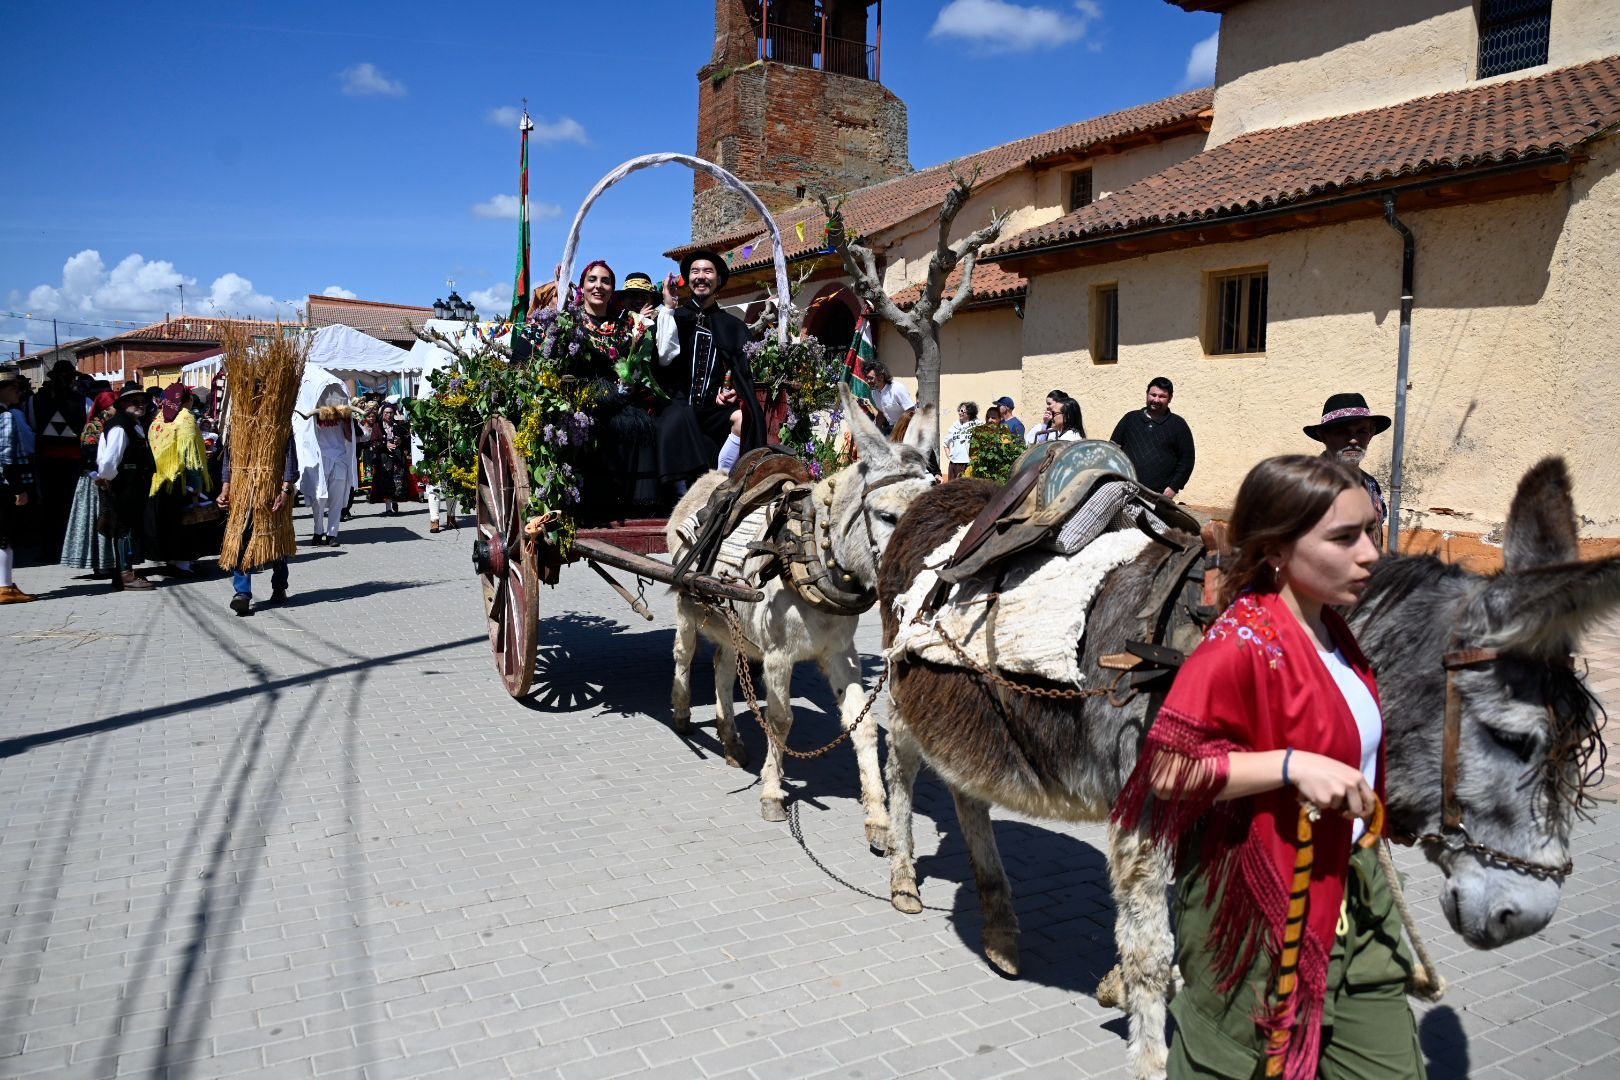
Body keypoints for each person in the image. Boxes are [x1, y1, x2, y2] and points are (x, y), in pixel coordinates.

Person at [1114, 454, 1423, 1079]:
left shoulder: (1334, 629)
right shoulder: (1240, 644)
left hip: (1355, 898)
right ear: (1278, 549)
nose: (1370, 554)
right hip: (1258, 909)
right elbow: (1168, 770)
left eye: (1371, 531)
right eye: (1345, 537)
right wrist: (1289, 767)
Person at [653, 250, 767, 494]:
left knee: (745, 417)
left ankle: (723, 479)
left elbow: (742, 372)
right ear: (688, 279)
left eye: (707, 272)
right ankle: (681, 492)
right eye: (695, 271)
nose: (701, 277)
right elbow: (661, 362)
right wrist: (668, 309)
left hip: (715, 408)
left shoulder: (732, 326)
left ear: (718, 280)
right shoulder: (674, 318)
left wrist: (732, 392)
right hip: (680, 402)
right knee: (675, 418)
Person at [219, 440, 296, 615]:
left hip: (272, 492)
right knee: (241, 541)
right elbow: (228, 461)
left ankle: (279, 586)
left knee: (276, 541)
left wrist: (286, 490)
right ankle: (242, 593)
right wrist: (225, 488)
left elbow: (290, 461)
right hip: (242, 493)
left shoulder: (280, 420)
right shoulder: (238, 421)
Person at [145, 383, 214, 574]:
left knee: (169, 523)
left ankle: (174, 560)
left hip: (161, 479)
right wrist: (197, 484)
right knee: (186, 523)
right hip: (182, 481)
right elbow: (189, 456)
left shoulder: (158, 419)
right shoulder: (186, 419)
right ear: (188, 400)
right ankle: (183, 562)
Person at [25, 359, 90, 560]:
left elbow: (32, 426)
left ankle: (48, 549)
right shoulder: (83, 401)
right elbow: (86, 430)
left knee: (48, 505)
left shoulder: (35, 400)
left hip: (46, 460)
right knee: (70, 504)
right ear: (73, 380)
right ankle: (70, 548)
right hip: (72, 461)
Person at [95, 383, 157, 591]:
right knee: (124, 529)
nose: (140, 405)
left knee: (128, 527)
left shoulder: (134, 423)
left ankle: (124, 573)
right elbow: (109, 459)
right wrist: (107, 479)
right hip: (125, 485)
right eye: (135, 402)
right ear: (122, 404)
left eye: (143, 402)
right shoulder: (121, 426)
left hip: (133, 484)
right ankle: (125, 575)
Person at [1305, 393, 1390, 539]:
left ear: (1371, 434)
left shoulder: (1371, 485)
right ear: (1323, 436)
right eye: (1342, 431)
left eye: (1361, 431)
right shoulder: (1306, 484)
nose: (1353, 440)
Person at [61, 391, 120, 578]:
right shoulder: (93, 427)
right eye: (114, 406)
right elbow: (89, 455)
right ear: (105, 408)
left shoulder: (112, 425)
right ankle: (100, 564)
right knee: (97, 519)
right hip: (93, 482)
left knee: (107, 520)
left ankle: (109, 562)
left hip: (107, 479)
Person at [294, 378, 360, 546]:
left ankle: (332, 534)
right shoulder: (314, 414)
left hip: (339, 458)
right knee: (319, 497)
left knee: (336, 499)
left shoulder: (343, 414)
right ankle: (318, 530)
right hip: (320, 458)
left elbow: (348, 437)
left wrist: (346, 419)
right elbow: (307, 433)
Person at [1109, 376, 1195, 499]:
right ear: (1147, 394)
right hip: (1124, 488)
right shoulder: (1130, 419)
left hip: (1157, 496)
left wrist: (1173, 487)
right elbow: (1112, 450)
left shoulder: (1178, 425)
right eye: (1153, 395)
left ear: (1170, 398)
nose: (1156, 400)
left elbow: (1186, 461)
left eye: (1162, 396)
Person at [0, 365, 39, 603]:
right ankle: (4, 586)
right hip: (3, 483)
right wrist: (17, 488)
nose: (19, 392)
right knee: (4, 535)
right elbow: (4, 457)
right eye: (14, 387)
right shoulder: (5, 416)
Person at [367, 402, 412, 515]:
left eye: (391, 413)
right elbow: (373, 442)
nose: (389, 415)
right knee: (386, 482)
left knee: (397, 481)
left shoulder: (397, 426)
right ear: (382, 414)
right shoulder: (377, 426)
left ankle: (395, 500)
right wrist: (384, 445)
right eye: (386, 413)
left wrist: (400, 441)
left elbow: (406, 440)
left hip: (397, 458)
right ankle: (388, 507)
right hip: (383, 459)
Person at [860, 360, 915, 436]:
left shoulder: (897, 389)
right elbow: (882, 413)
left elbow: (911, 411)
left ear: (881, 377)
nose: (868, 381)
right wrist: (875, 431)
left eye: (871, 378)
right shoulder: (874, 392)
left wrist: (900, 430)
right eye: (867, 378)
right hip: (892, 429)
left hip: (908, 430)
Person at [944, 401, 978, 480]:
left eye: (962, 411)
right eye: (959, 410)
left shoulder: (977, 425)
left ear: (970, 412)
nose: (959, 413)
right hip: (954, 464)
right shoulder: (954, 426)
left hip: (968, 463)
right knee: (952, 489)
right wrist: (950, 456)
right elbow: (945, 444)